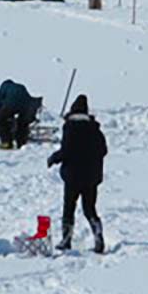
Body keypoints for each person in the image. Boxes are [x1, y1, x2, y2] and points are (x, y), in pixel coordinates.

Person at [47, 95, 107, 253]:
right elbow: (103, 150)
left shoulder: (71, 128)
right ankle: (98, 234)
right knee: (89, 209)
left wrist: (54, 158)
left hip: (73, 177)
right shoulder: (95, 129)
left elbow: (67, 151)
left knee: (69, 209)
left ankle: (66, 240)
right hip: (91, 177)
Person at [0, 79, 42, 150]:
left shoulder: (4, 87)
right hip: (25, 105)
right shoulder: (20, 86)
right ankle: (21, 143)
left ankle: (6, 142)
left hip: (10, 104)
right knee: (22, 123)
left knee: (0, 120)